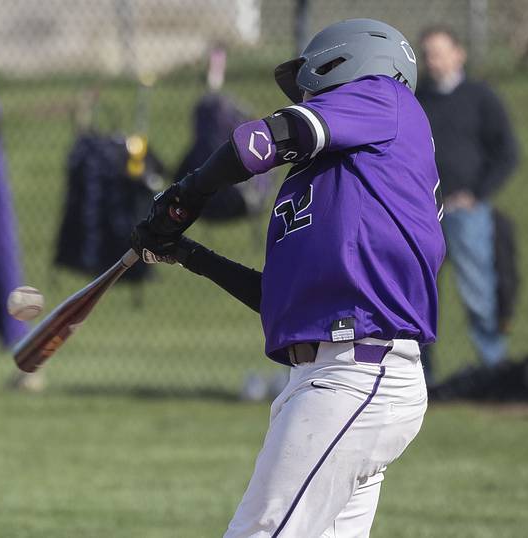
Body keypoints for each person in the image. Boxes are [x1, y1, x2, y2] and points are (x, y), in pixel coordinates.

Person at [130, 19, 445, 537]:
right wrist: (186, 253)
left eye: (308, 82)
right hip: (335, 378)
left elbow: (270, 137)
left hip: (355, 375)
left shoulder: (384, 97)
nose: (303, 94)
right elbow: (283, 300)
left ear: (346, 60)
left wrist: (186, 196)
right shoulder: (340, 180)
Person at [416, 27, 519, 367]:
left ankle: (493, 369)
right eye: (428, 53)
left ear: (459, 53)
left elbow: (506, 152)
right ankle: (421, 376)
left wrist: (476, 193)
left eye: (440, 52)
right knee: (419, 295)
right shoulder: (417, 100)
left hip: (465, 212)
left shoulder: (480, 97)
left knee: (479, 293)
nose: (433, 60)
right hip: (424, 214)